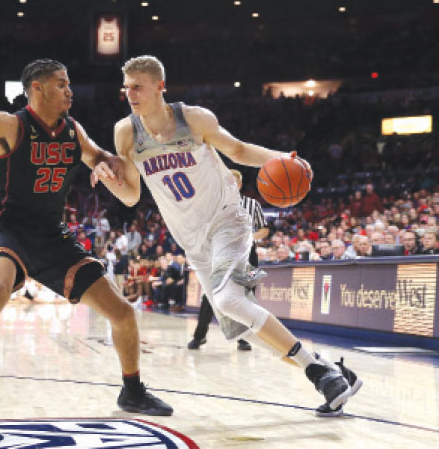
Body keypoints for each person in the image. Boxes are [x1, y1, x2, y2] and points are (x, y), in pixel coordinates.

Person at [0, 25, 172, 436]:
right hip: (7, 230)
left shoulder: (73, 131)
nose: (69, 91)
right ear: (37, 89)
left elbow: (104, 159)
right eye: (62, 85)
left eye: (69, 84)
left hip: (53, 236)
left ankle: (132, 390)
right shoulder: (10, 124)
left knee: (124, 313)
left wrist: (113, 163)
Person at [98, 55, 358, 417]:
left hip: (229, 221)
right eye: (126, 87)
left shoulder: (194, 119)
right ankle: (332, 370)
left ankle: (318, 374)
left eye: (137, 86)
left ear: (160, 86)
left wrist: (285, 158)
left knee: (230, 300)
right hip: (192, 241)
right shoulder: (126, 132)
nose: (130, 94)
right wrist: (112, 182)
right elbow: (131, 195)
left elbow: (237, 150)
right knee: (245, 329)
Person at [188, 169, 266, 351]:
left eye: (232, 182)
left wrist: (248, 236)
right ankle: (199, 336)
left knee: (246, 298)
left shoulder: (252, 205)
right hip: (220, 254)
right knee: (210, 296)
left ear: (238, 185)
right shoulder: (212, 206)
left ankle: (244, 338)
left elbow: (264, 230)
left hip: (247, 255)